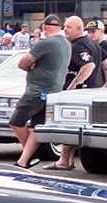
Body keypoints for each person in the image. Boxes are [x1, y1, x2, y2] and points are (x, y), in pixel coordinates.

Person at [9, 14, 69, 169]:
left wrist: (30, 65)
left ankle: (31, 154)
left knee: (16, 121)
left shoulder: (46, 43)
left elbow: (22, 63)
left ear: (45, 27)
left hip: (37, 91)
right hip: (53, 92)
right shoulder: (66, 43)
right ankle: (24, 160)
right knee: (35, 127)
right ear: (60, 27)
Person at [51, 15, 104, 171]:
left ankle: (64, 161)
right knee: (72, 127)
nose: (65, 29)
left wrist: (73, 86)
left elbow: (89, 65)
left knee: (68, 125)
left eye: (68, 27)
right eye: (64, 26)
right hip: (93, 90)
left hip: (80, 93)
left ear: (79, 29)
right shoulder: (92, 44)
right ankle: (66, 161)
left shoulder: (78, 45)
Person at [86, 20, 107, 87]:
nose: (90, 35)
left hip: (102, 85)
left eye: (93, 32)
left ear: (101, 31)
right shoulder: (90, 47)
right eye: (89, 32)